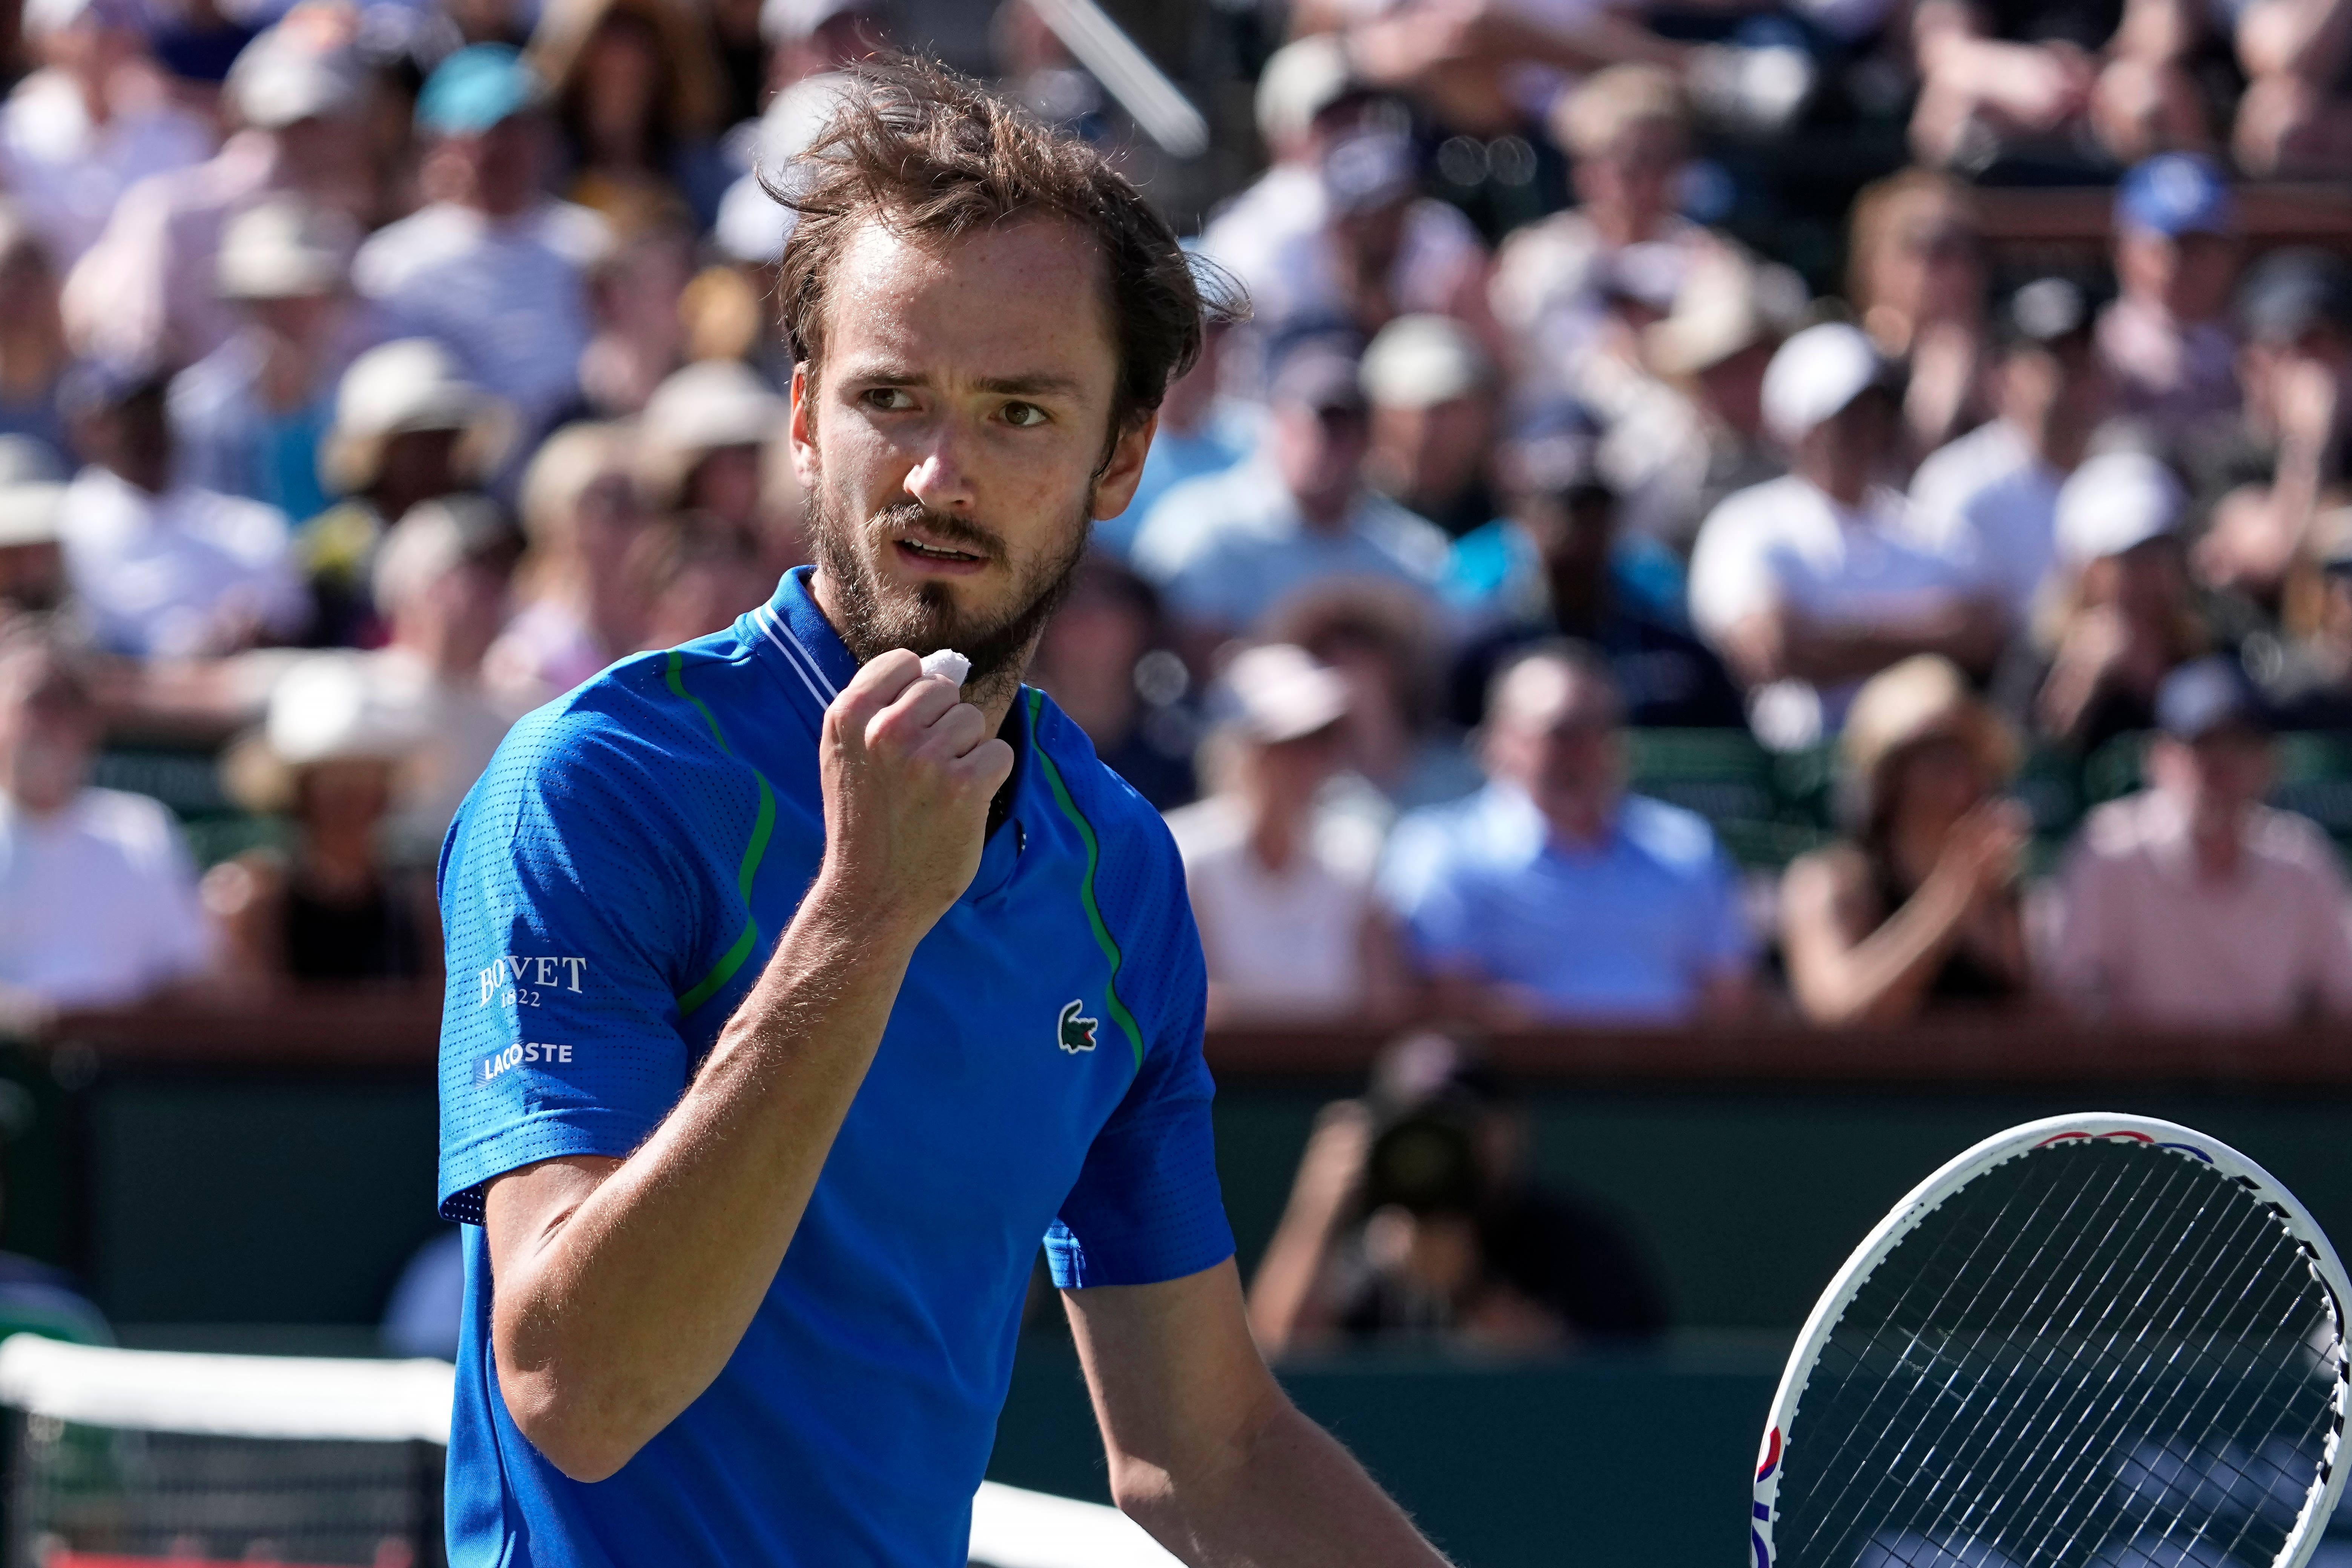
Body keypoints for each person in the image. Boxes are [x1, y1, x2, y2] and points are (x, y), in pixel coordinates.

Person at [434, 61, 1450, 1566]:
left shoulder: (1116, 870)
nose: (936, 472)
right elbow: (578, 1391)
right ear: (801, 418)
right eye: (888, 397)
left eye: (1018, 411)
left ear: (1119, 458)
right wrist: (863, 912)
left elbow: (1206, 1446)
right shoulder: (595, 782)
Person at [1382, 642, 1755, 1023]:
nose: (1583, 751)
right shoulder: (1441, 850)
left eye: (1599, 729)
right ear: (1498, 743)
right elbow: (1445, 1000)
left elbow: (1729, 993)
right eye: (1560, 734)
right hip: (1515, 1077)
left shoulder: (1684, 845)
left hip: (1677, 1079)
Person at [1248, 1034, 1668, 1356]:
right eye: (1417, 1126)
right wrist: (1316, 1213)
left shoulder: (1577, 1243)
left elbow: (1602, 1396)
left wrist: (1467, 1289)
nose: (1436, 1149)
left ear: (1512, 1130)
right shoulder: (1370, 1250)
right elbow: (1278, 1373)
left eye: (1460, 1125)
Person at [1688, 322, 2004, 748]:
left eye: (1874, 410)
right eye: (1843, 416)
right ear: (1800, 427)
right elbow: (1770, 652)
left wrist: (1828, 634)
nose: (1863, 428)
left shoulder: (1931, 529)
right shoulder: (1747, 524)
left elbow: (1981, 638)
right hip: (1799, 770)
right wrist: (1927, 637)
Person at [2046, 657, 2352, 1027]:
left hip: (2269, 1083)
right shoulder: (2108, 853)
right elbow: (2063, 998)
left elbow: (2342, 1001)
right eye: (2202, 744)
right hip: (2134, 1083)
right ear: (2160, 758)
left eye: (2239, 744)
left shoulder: (2303, 862)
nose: (2220, 764)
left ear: (2267, 764)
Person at [61, 19, 368, 373]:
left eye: (325, 121)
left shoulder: (349, 221)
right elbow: (134, 347)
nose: (312, 138)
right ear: (245, 114)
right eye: (294, 122)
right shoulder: (170, 213)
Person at [352, 44, 607, 448]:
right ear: (441, 144)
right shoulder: (394, 265)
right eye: (484, 131)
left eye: (521, 125)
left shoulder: (589, 243)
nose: (503, 146)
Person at [1131, 344, 1448, 657]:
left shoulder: (1410, 553)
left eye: (1350, 429)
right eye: (1320, 424)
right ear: (1278, 425)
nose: (1331, 444)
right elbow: (1179, 663)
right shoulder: (1199, 530)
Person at [1781, 655, 2032, 1026]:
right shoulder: (1830, 883)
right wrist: (1949, 902)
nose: (1959, 778)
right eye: (1936, 757)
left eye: (1967, 757)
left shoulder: (2000, 890)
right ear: (1888, 780)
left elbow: (2032, 1015)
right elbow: (1837, 1014)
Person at [1164, 643, 1401, 1025]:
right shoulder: (1184, 854)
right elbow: (1179, 1004)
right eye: (1287, 745)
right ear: (1238, 751)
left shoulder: (1357, 856)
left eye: (1322, 741)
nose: (1309, 761)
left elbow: (1383, 1006)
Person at [0, 622, 211, 1017]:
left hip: (123, 1069)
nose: (49, 722)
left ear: (91, 723)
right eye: (34, 701)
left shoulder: (140, 829)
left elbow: (187, 976)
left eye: (66, 702)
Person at [206, 653, 440, 984]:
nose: (347, 806)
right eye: (333, 788)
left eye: (360, 786)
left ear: (384, 798)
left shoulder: (422, 906)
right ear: (300, 798)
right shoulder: (255, 904)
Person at [55, 365, 310, 660]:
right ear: (93, 429)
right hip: (136, 694)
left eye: (155, 415)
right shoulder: (76, 521)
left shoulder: (234, 518)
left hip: (247, 673)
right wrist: (192, 638)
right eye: (130, 419)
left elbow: (292, 605)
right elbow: (116, 632)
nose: (147, 432)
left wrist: (250, 621)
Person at [1907, 278, 2115, 626]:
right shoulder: (1959, 485)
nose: (2071, 376)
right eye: (2053, 360)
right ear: (2002, 377)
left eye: (2083, 357)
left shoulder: (2120, 470)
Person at [304, 339, 512, 649]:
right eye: (414, 443)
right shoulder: (332, 551)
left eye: (444, 440)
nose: (432, 458)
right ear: (377, 454)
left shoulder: (494, 540)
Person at [167, 196, 360, 529]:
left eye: (305, 299)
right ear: (244, 305)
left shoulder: (358, 399)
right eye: (271, 300)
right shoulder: (199, 408)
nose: (289, 316)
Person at [2015, 448, 2208, 750]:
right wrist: (2080, 692)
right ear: (2088, 570)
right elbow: (2023, 766)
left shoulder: (2206, 645)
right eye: (2131, 557)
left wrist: (2154, 682)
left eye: (2160, 549)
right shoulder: (2039, 656)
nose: (2151, 570)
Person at [482, 420, 649, 700]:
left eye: (631, 500)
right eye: (603, 500)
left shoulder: (668, 626)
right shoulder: (529, 652)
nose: (620, 517)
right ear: (556, 517)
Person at [525, 0, 729, 225]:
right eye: (609, 34)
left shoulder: (700, 169)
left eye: (640, 36)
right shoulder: (540, 162)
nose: (624, 56)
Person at [1024, 553, 1198, 810]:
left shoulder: (1181, 744)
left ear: (1144, 623)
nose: (1091, 620)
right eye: (1069, 603)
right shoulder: (1011, 740)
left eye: (1111, 602)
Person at [1846, 170, 1991, 461]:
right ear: (1871, 261)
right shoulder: (1845, 363)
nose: (1956, 266)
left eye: (1968, 247)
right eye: (1930, 245)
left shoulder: (2012, 367)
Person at [2095, 155, 2242, 436]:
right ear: (2123, 248)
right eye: (2164, 246)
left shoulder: (2259, 345)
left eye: (2199, 245)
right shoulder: (2092, 346)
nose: (2179, 264)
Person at [1359, 314, 1501, 540]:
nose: (1441, 427)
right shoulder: (1355, 521)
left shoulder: (1507, 513)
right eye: (1434, 409)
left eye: (1459, 407)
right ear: (1384, 416)